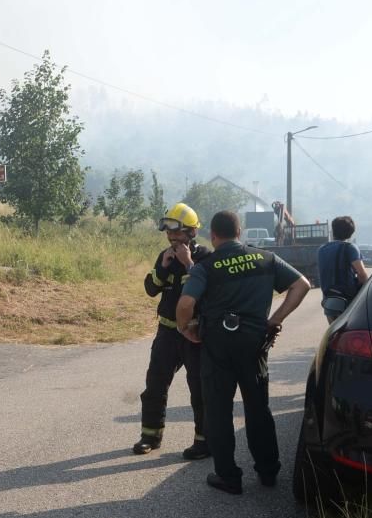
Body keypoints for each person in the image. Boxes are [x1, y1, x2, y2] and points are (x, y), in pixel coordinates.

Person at [175, 211, 310, 495]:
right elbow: (302, 285)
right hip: (254, 344)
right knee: (258, 408)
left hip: (217, 347)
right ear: (240, 233)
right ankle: (268, 471)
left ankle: (228, 477)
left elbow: (186, 302)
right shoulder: (265, 258)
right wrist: (275, 319)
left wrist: (185, 328)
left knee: (219, 411)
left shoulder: (206, 266)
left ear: (213, 235)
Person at [132, 203, 212, 460]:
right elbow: (150, 289)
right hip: (167, 333)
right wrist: (163, 267)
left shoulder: (205, 257)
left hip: (194, 334)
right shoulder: (164, 255)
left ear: (191, 232)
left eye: (177, 234)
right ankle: (150, 436)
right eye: (169, 233)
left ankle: (203, 440)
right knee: (154, 385)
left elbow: (207, 293)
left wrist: (188, 263)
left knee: (199, 388)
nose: (172, 238)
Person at [316, 216, 368, 323]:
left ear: (333, 231)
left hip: (328, 300)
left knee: (334, 334)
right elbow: (362, 275)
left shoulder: (322, 249)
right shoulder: (350, 248)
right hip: (348, 301)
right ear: (351, 233)